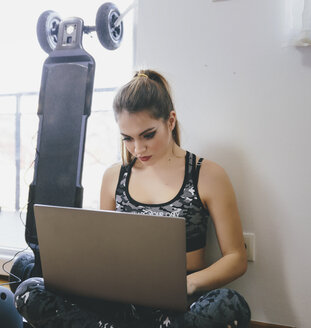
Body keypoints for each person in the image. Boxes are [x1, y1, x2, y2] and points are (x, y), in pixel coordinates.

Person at [15, 69, 251, 328]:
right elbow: (102, 251)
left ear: (170, 121)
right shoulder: (114, 176)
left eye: (148, 135)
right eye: (128, 138)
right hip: (118, 301)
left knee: (230, 305)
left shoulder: (207, 175)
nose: (138, 149)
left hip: (179, 306)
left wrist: (188, 284)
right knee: (29, 290)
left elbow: (236, 258)